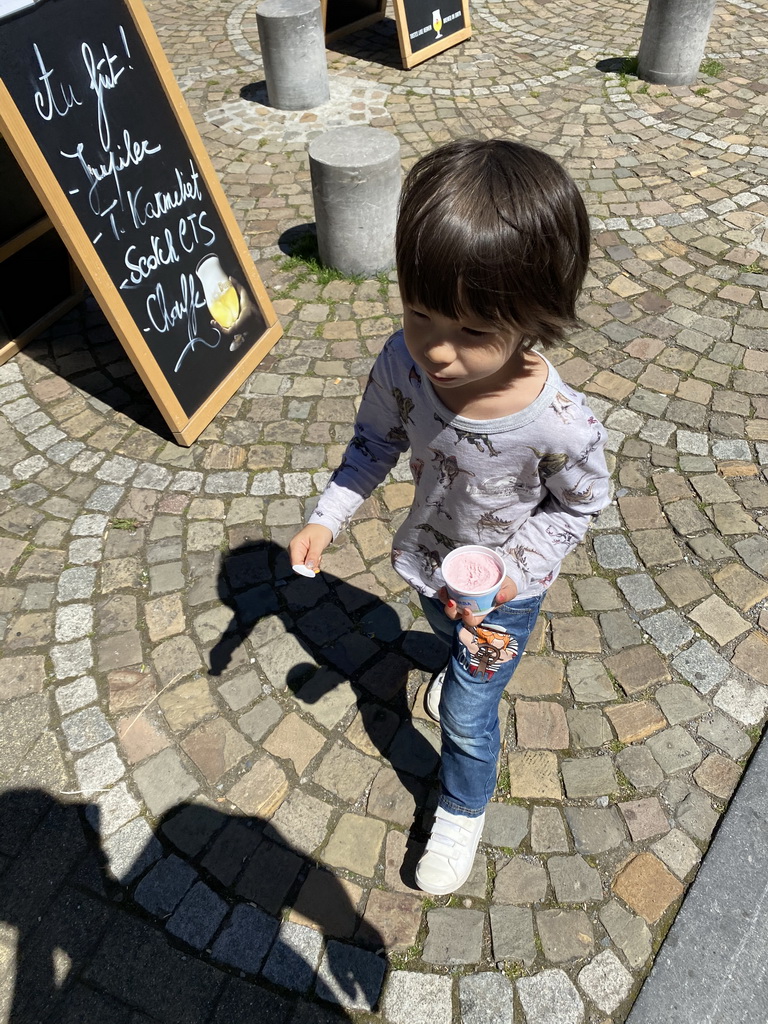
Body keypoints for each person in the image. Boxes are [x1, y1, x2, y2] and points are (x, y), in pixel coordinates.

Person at [288, 139, 611, 895]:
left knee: (468, 714)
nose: (438, 350)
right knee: (440, 635)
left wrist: (513, 572)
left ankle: (462, 807)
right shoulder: (401, 363)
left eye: (472, 331)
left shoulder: (562, 425)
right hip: (429, 564)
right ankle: (453, 668)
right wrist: (326, 518)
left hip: (505, 599)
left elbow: (580, 507)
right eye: (419, 312)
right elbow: (372, 443)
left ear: (536, 316)